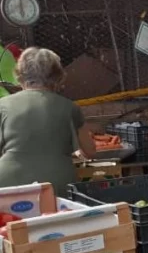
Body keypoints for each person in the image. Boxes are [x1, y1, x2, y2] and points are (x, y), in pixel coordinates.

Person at [0, 47, 96, 194]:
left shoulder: (3, 105)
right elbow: (90, 151)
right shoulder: (70, 107)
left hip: (9, 183)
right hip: (56, 184)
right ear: (58, 76)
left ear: (19, 75)